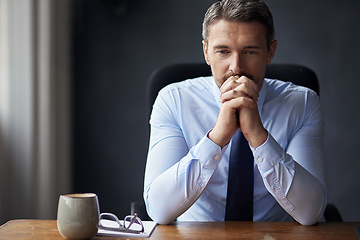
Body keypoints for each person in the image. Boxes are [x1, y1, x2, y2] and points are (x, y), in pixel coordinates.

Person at [143, 0, 327, 226]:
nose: (236, 67)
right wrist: (218, 137)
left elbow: (310, 212)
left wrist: (258, 137)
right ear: (206, 52)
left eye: (250, 51)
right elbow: (158, 210)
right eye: (223, 51)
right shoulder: (173, 100)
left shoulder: (303, 103)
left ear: (270, 52)